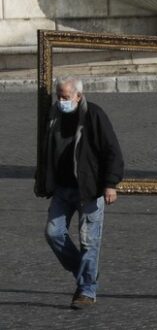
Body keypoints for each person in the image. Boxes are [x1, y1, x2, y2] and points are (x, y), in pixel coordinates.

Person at [35, 76, 123, 309]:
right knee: (53, 233)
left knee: (89, 241)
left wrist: (110, 184)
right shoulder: (54, 114)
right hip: (62, 188)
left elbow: (112, 150)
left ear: (78, 96)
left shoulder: (94, 115)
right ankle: (86, 273)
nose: (61, 100)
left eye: (65, 96)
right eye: (58, 96)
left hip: (89, 189)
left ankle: (86, 290)